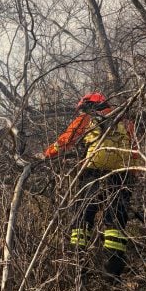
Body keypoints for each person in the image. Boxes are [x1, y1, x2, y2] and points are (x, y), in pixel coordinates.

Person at [42, 93, 137, 277]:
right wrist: (133, 176)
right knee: (116, 221)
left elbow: (64, 142)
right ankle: (113, 271)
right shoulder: (125, 121)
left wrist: (45, 155)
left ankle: (79, 268)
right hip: (122, 175)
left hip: (92, 172)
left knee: (83, 217)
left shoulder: (86, 119)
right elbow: (134, 151)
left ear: (89, 106)